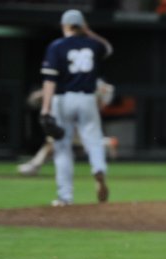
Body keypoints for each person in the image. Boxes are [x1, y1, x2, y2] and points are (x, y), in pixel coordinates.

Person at [40, 9, 112, 206]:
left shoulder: (56, 46)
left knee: (62, 148)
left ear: (65, 25)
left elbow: (49, 80)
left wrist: (45, 108)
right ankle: (98, 169)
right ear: (82, 26)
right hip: (88, 99)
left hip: (63, 100)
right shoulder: (94, 45)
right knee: (94, 141)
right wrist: (88, 31)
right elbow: (108, 47)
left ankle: (65, 197)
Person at [18, 79, 119, 176]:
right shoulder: (86, 75)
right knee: (62, 143)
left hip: (78, 114)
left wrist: (41, 94)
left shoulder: (78, 76)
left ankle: (34, 166)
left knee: (56, 141)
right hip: (82, 112)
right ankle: (107, 143)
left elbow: (59, 86)